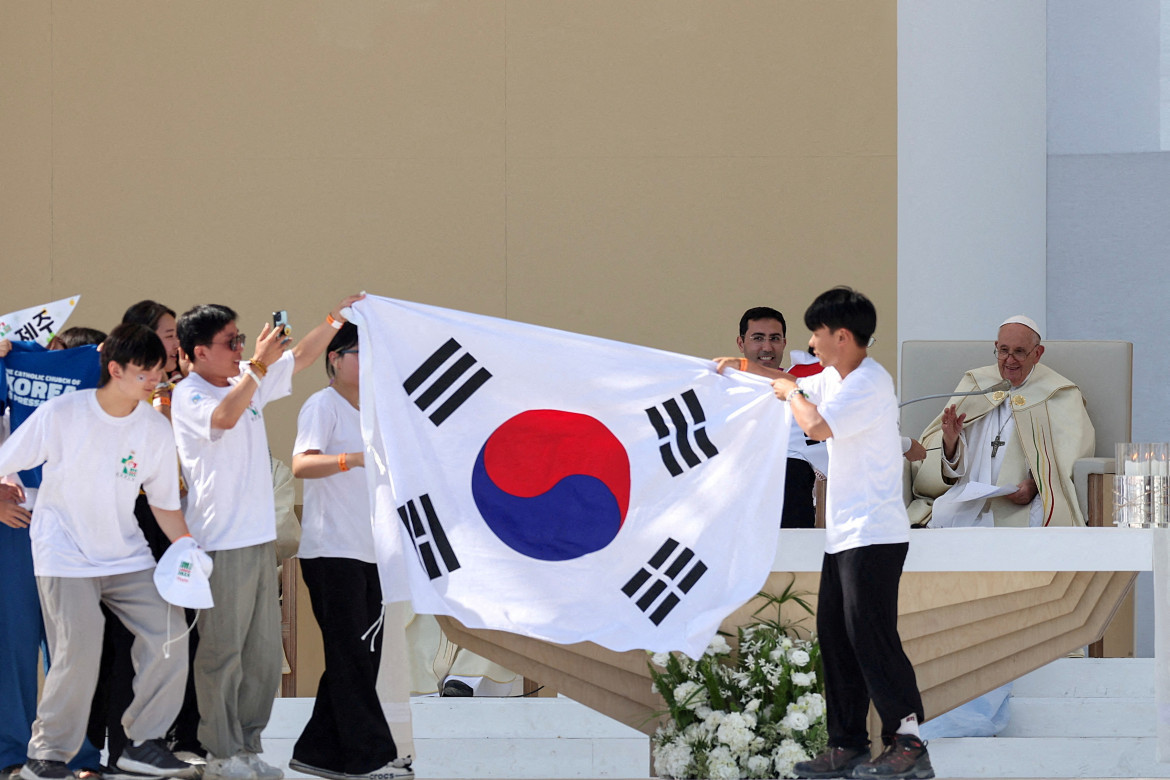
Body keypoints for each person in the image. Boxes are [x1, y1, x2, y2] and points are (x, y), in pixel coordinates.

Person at [172, 296, 362, 780]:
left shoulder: (245, 381)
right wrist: (255, 365)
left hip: (258, 540)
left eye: (240, 340)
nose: (238, 349)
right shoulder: (189, 395)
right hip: (220, 540)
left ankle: (248, 745)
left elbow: (297, 360)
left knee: (260, 655)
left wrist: (334, 319)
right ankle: (219, 750)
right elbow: (223, 419)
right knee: (223, 652)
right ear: (196, 352)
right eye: (229, 342)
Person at [0, 324, 196, 780]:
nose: (153, 382)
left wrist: (187, 545)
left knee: (169, 632)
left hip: (125, 555)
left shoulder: (153, 428)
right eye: (143, 373)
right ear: (114, 369)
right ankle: (46, 755)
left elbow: (165, 503)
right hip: (63, 554)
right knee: (79, 651)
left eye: (158, 374)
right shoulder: (62, 413)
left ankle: (142, 744)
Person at [771, 288, 932, 780]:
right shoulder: (836, 379)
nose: (811, 342)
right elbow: (787, 382)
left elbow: (816, 426)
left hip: (875, 535)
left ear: (841, 336)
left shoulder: (868, 383)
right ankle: (846, 745)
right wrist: (735, 369)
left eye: (816, 333)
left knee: (872, 636)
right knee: (836, 637)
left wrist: (792, 393)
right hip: (843, 536)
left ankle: (909, 744)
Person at [287, 323, 412, 780]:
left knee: (359, 655)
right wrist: (352, 459)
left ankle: (318, 753)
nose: (367, 360)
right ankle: (370, 756)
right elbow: (302, 463)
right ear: (335, 359)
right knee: (352, 656)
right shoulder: (323, 405)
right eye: (358, 351)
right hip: (331, 550)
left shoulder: (376, 411)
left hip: (372, 550)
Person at [86, 301, 203, 774]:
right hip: (128, 524)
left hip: (170, 526)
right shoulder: (121, 399)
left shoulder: (176, 393)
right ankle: (109, 749)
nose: (174, 345)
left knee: (171, 640)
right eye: (168, 335)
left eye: (174, 336)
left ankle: (153, 741)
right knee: (116, 647)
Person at [0, 331, 104, 780]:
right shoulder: (3, 374)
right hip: (14, 523)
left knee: (70, 644)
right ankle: (11, 752)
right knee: (14, 644)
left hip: (70, 528)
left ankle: (73, 754)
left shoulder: (94, 394)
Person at [907, 315, 1095, 528]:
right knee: (944, 516)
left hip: (1026, 504)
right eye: (1004, 350)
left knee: (1041, 524)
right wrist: (950, 441)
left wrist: (1035, 485)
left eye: (1019, 352)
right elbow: (942, 460)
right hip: (968, 499)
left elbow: (1067, 461)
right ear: (996, 347)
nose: (1010, 360)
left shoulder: (1060, 394)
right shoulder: (977, 384)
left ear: (1037, 354)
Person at [726, 306, 826, 528]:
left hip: (792, 492)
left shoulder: (804, 385)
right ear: (741, 343)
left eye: (774, 338)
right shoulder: (723, 390)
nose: (767, 347)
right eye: (758, 338)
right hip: (734, 494)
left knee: (790, 467)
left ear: (784, 343)